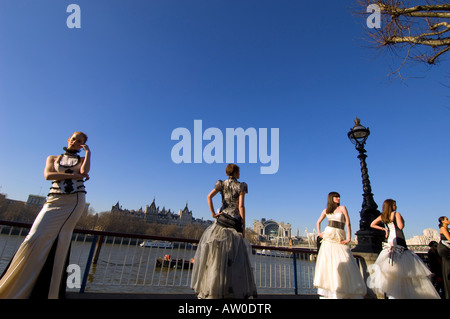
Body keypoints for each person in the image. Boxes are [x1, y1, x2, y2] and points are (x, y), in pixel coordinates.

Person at [0, 132, 91, 299]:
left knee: (62, 241)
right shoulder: (53, 158)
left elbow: (85, 172)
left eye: (80, 141)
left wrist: (88, 153)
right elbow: (48, 175)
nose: (75, 142)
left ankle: (51, 292)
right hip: (54, 200)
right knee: (33, 237)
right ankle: (16, 285)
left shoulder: (82, 159)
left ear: (82, 144)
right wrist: (72, 175)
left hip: (74, 201)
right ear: (68, 140)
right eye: (73, 138)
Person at [190, 164, 257, 299]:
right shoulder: (241, 186)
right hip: (234, 225)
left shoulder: (221, 184)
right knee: (235, 262)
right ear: (236, 172)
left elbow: (208, 197)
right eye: (239, 171)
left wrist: (214, 213)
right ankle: (230, 292)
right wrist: (243, 227)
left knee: (216, 260)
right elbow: (241, 206)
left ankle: (215, 291)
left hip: (220, 223)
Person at [368, 199, 440, 299]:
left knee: (391, 271)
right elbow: (400, 227)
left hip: (390, 242)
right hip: (399, 242)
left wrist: (384, 229)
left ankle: (392, 295)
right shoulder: (396, 214)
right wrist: (401, 219)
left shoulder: (383, 216)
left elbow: (372, 224)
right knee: (405, 271)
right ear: (391, 206)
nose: (396, 206)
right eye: (394, 205)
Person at [313, 192, 367, 299]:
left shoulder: (342, 208)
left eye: (339, 197)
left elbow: (348, 223)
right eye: (336, 197)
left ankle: (343, 288)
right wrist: (319, 233)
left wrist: (348, 238)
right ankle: (331, 291)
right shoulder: (326, 211)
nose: (338, 198)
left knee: (344, 259)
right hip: (328, 236)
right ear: (331, 198)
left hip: (339, 237)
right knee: (329, 263)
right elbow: (318, 222)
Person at [438, 216, 450, 299]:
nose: (449, 220)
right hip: (445, 250)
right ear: (442, 221)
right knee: (448, 268)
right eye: (447, 219)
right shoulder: (443, 228)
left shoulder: (447, 229)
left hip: (446, 249)